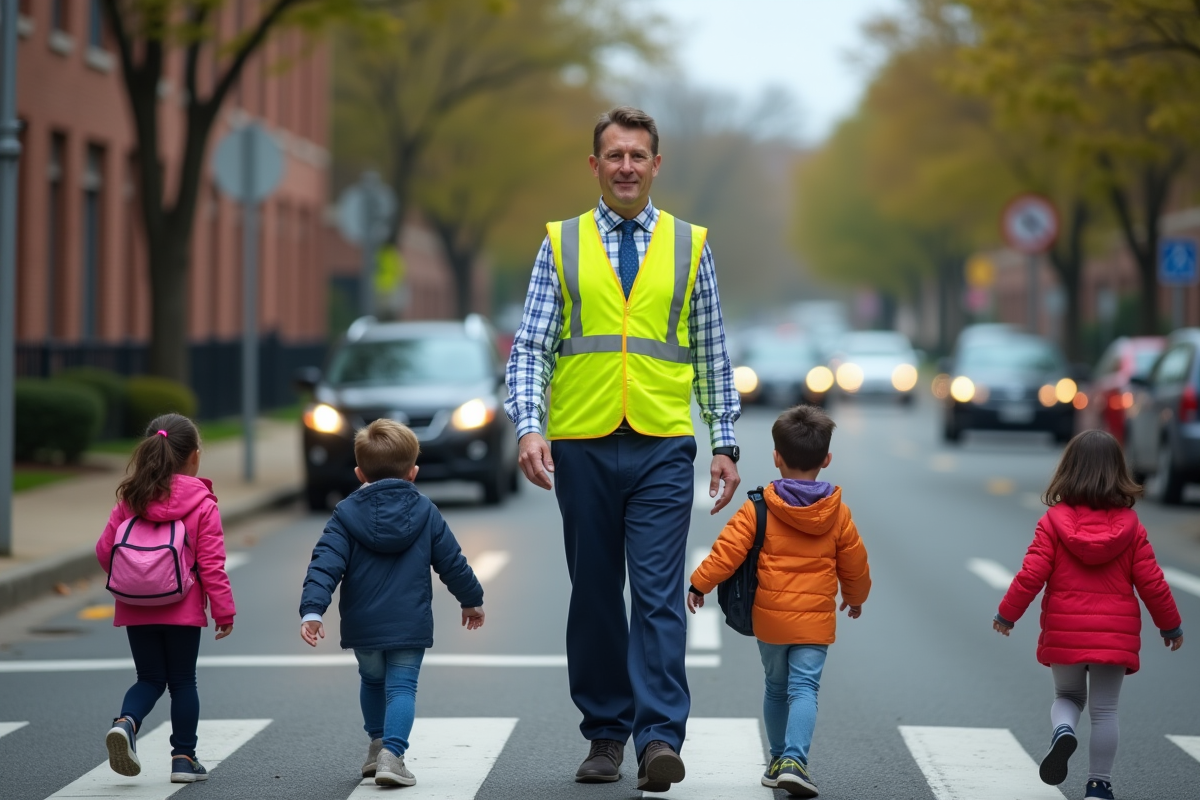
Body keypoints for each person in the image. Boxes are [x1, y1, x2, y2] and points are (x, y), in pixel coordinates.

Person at [504, 105, 742, 791]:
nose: (627, 167)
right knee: (596, 597)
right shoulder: (561, 243)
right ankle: (606, 734)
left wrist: (724, 438)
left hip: (662, 446)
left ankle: (659, 737)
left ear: (656, 164)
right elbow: (532, 347)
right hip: (581, 443)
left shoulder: (691, 245)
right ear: (595, 165)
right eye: (615, 155)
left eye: (638, 155)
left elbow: (712, 350)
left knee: (659, 595)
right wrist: (529, 425)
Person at [687, 404, 871, 798]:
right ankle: (794, 761)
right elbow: (855, 563)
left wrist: (699, 585)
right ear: (826, 459)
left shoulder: (758, 508)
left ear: (776, 457)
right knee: (804, 688)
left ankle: (776, 760)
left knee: (775, 686)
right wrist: (855, 598)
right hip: (815, 621)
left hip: (769, 620)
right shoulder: (837, 513)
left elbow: (725, 554)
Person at [993, 429, 1184, 800]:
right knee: (1105, 710)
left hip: (1064, 629)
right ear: (1118, 473)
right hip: (1114, 635)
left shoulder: (1052, 523)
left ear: (1068, 470)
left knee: (1068, 695)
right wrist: (1170, 625)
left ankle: (1063, 730)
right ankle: (1099, 786)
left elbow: (1031, 574)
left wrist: (1007, 615)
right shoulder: (1132, 528)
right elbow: (1152, 583)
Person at [298, 419, 485, 787]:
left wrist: (313, 609)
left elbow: (324, 563)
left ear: (359, 473)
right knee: (401, 687)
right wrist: (471, 599)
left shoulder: (345, 515)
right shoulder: (426, 511)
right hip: (408, 622)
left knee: (371, 680)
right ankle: (392, 755)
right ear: (413, 472)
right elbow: (452, 562)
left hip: (363, 623)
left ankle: (376, 746)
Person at [95, 413, 236, 784]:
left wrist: (134, 578)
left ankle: (126, 723)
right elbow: (212, 565)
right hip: (182, 607)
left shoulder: (131, 498)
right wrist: (223, 610)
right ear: (194, 456)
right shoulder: (203, 504)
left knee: (149, 678)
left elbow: (105, 551)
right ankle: (184, 759)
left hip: (135, 606)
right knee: (183, 682)